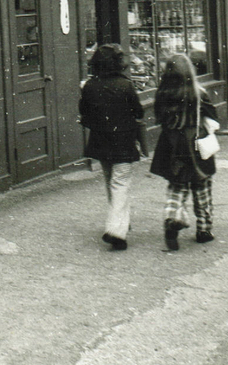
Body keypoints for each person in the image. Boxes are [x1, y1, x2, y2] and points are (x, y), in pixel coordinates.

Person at [79, 44, 145, 251]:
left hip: (101, 141)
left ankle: (120, 223)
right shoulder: (126, 86)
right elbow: (139, 112)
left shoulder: (89, 86)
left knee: (111, 182)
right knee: (120, 183)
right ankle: (118, 229)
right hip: (123, 141)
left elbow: (84, 116)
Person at [150, 53, 218, 251]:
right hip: (196, 144)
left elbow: (159, 118)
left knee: (177, 186)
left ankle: (172, 217)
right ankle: (204, 228)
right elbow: (213, 119)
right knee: (202, 185)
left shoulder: (162, 94)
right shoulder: (199, 93)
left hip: (172, 145)